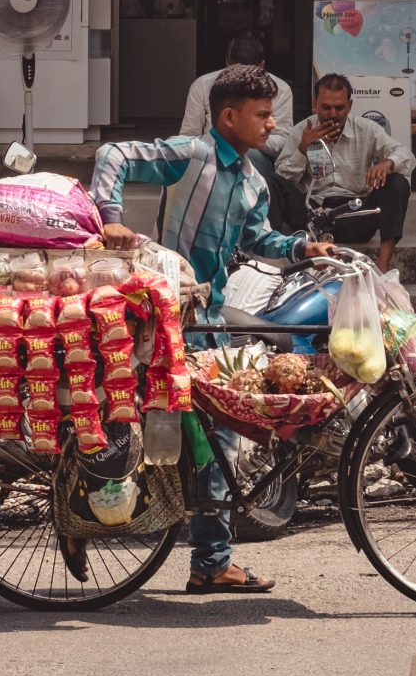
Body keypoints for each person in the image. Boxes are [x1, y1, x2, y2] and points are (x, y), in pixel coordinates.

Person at [89, 64, 335, 596]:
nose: (273, 125)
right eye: (263, 115)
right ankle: (193, 553)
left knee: (216, 440)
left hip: (210, 321)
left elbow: (260, 240)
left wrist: (302, 248)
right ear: (229, 116)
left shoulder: (251, 180)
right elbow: (113, 155)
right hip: (169, 318)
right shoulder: (192, 154)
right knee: (179, 435)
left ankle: (211, 559)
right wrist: (108, 214)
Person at [273, 73, 415, 273]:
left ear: (349, 105)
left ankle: (382, 266)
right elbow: (282, 178)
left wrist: (388, 163)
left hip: (354, 213)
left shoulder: (366, 129)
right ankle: (271, 258)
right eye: (326, 108)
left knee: (398, 182)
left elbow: (406, 155)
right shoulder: (301, 131)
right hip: (313, 215)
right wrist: (302, 151)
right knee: (272, 181)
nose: (332, 114)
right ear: (315, 104)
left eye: (339, 108)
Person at [179, 34, 295, 143]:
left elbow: (283, 139)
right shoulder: (203, 85)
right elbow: (189, 135)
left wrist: (247, 139)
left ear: (262, 66)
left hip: (258, 152)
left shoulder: (281, 90)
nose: (244, 80)